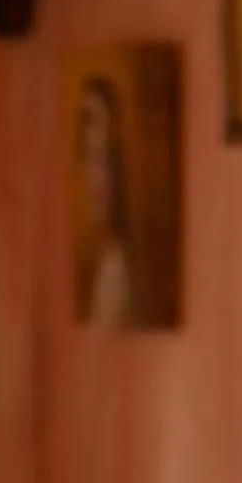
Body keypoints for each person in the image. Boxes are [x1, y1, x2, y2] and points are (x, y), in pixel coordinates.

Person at [72, 75, 137, 328]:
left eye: (102, 160)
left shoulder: (114, 264)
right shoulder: (89, 254)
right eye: (86, 121)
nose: (95, 178)